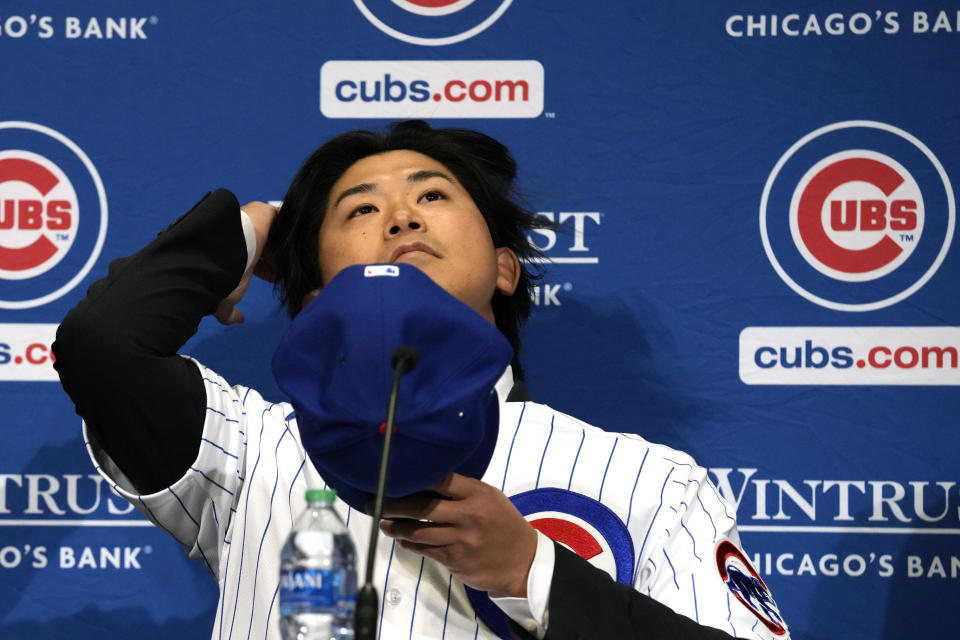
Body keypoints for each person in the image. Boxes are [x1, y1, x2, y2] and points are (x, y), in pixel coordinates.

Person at [53, 120, 788, 639]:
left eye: (432, 196)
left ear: (504, 268)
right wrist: (256, 227)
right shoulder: (250, 450)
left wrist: (534, 572)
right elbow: (104, 345)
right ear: (313, 297)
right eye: (361, 209)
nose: (400, 216)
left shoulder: (650, 481)